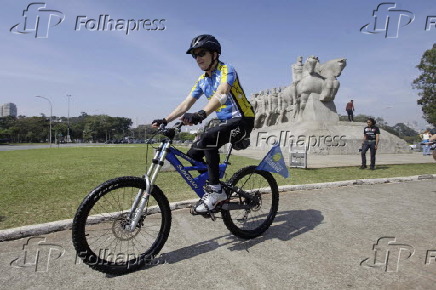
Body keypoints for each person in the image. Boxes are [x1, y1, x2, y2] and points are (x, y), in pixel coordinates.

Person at [152, 34, 255, 214]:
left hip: (243, 120)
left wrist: (202, 113)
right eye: (195, 55)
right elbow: (186, 103)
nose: (198, 58)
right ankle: (214, 188)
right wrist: (165, 119)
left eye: (202, 53)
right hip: (226, 122)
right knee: (193, 154)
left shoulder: (226, 70)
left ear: (214, 54)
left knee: (208, 138)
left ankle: (216, 191)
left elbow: (222, 94)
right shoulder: (202, 80)